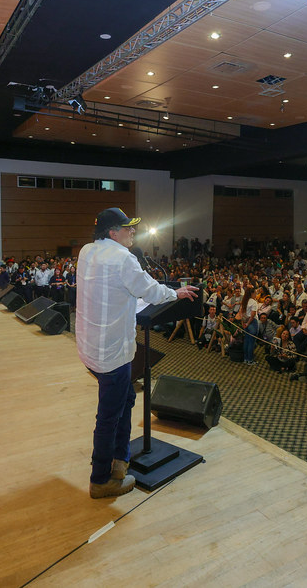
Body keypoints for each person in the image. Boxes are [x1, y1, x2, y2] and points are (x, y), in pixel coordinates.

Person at [76, 208, 198, 499]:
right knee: (109, 416)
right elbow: (151, 292)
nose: (133, 232)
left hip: (90, 346)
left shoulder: (86, 251)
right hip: (112, 352)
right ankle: (101, 479)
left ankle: (121, 460)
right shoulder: (122, 258)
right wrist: (176, 292)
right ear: (112, 233)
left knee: (126, 398)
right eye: (127, 228)